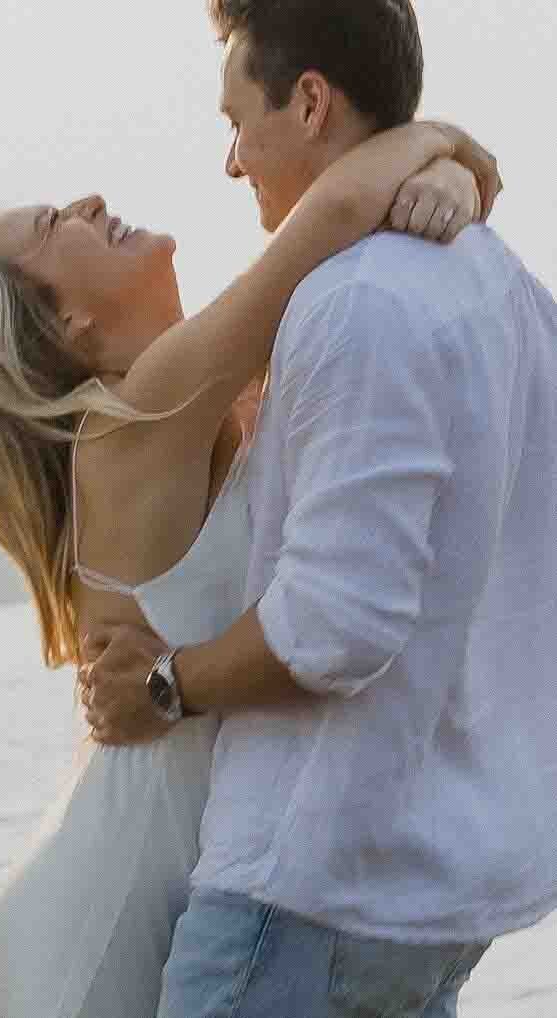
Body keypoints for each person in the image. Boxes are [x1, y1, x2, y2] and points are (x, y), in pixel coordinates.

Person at [0, 114, 494, 1017]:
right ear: (66, 322)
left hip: (211, 905)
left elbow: (390, 222)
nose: (88, 202)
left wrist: (457, 180)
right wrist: (443, 145)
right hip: (94, 935)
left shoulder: (243, 391)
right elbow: (346, 203)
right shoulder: (131, 427)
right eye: (53, 226)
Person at [80, 2, 557, 1017]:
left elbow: (332, 628)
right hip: (419, 891)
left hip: (304, 894)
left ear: (306, 103)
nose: (227, 163)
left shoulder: (350, 308)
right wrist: (441, 151)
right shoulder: (502, 285)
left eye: (233, 121)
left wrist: (161, 686)